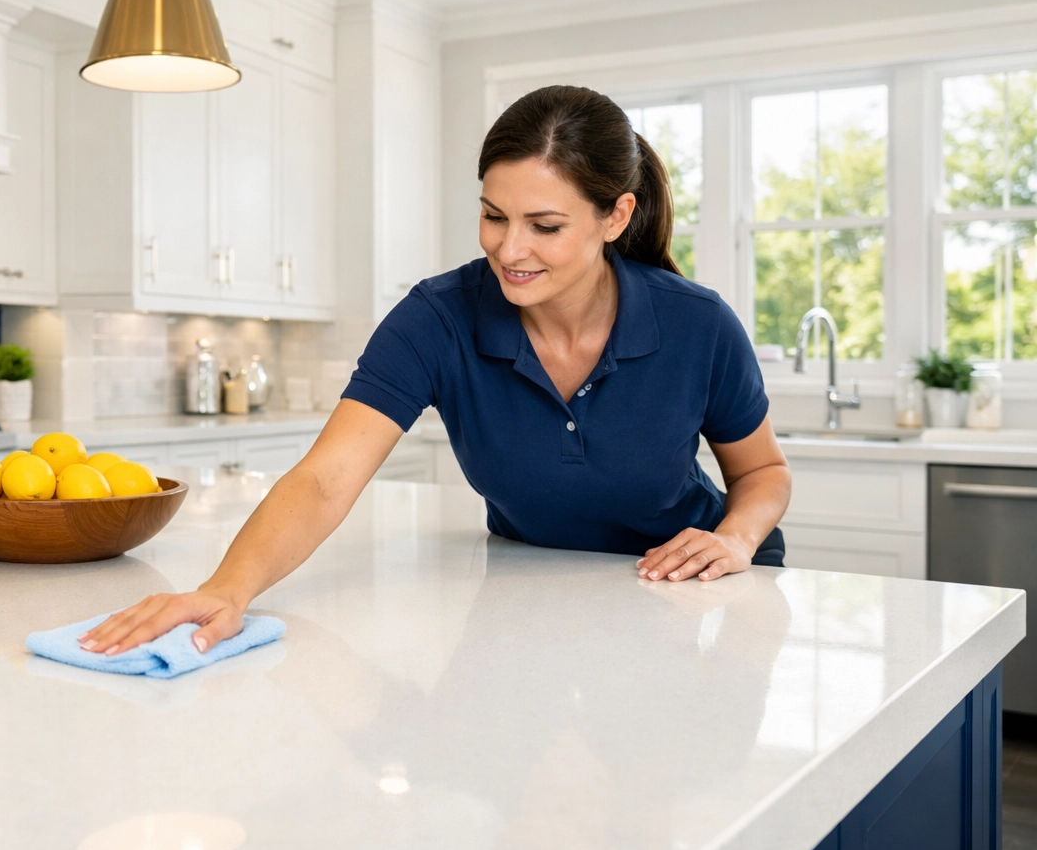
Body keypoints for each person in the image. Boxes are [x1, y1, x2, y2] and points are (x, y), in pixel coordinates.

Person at [79, 84, 792, 658]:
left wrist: (734, 539)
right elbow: (326, 479)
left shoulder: (697, 323)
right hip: (530, 593)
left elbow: (762, 475)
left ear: (616, 217)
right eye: (491, 215)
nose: (510, 249)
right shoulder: (441, 316)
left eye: (544, 226)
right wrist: (227, 590)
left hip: (698, 597)